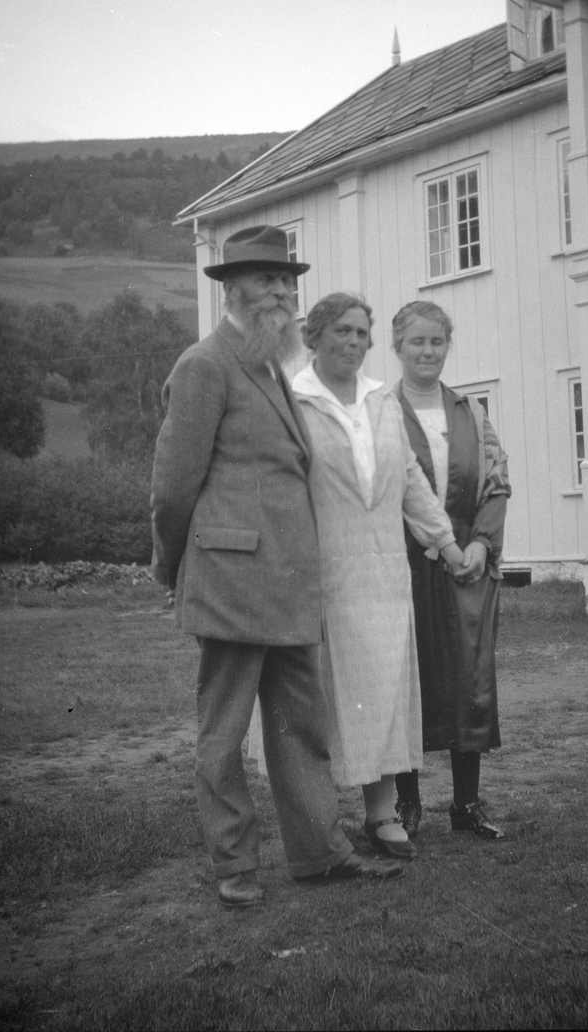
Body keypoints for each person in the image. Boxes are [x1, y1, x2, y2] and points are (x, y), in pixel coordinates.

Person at [150, 226, 403, 909]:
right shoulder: (204, 365)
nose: (283, 294)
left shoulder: (270, 367)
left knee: (302, 727)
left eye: (288, 283)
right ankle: (235, 868)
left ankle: (320, 854)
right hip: (232, 585)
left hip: (291, 586)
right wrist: (171, 566)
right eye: (266, 281)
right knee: (225, 735)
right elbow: (174, 487)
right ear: (231, 290)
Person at [291, 293, 465, 861]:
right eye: (342, 330)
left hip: (387, 575)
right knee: (322, 699)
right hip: (322, 575)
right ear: (313, 337)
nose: (354, 341)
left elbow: (411, 479)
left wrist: (445, 543)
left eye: (362, 332)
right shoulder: (293, 401)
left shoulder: (382, 401)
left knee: (383, 691)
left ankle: (382, 815)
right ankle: (318, 822)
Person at [391, 300, 511, 841]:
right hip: (403, 564)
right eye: (416, 342)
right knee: (407, 678)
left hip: (467, 564)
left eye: (436, 341)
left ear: (448, 345)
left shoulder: (471, 411)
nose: (427, 351)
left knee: (470, 678)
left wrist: (483, 543)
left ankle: (466, 803)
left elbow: (496, 482)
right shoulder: (382, 410)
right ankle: (407, 804)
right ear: (397, 347)